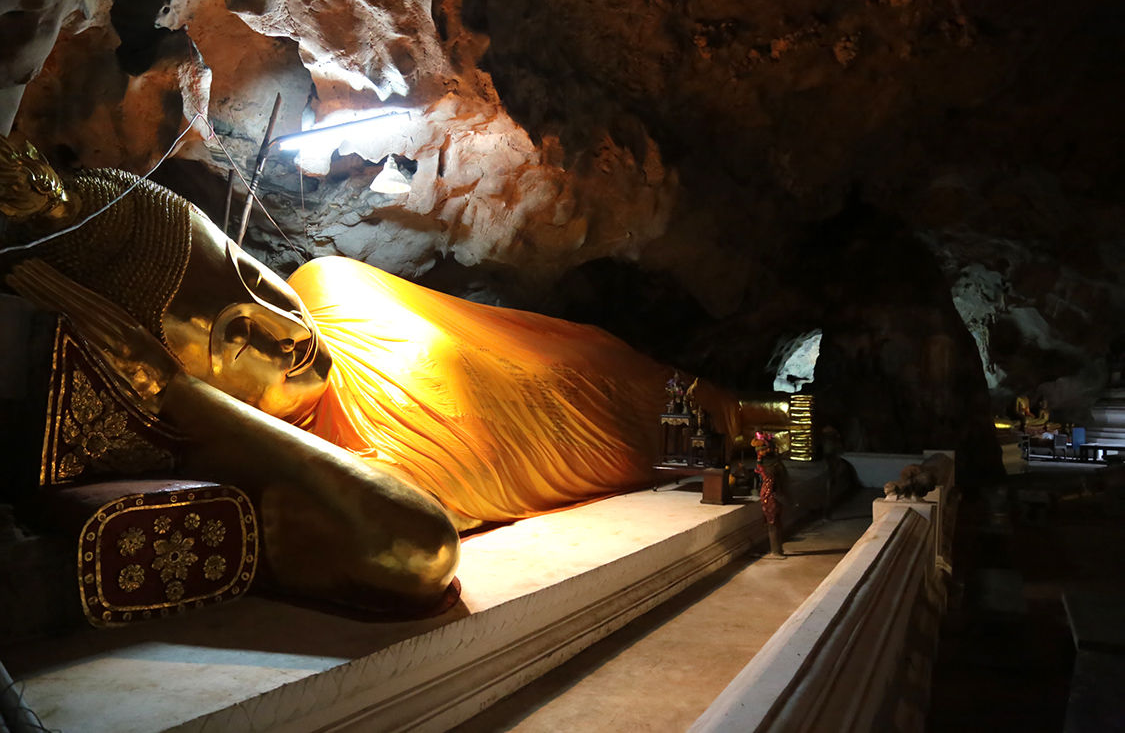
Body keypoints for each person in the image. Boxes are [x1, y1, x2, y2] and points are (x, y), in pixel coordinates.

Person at [0, 134, 743, 611]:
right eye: (238, 342)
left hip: (610, 365)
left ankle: (747, 412)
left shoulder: (332, 288)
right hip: (623, 440)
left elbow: (540, 344)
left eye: (254, 279)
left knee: (680, 394)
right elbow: (419, 548)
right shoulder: (283, 474)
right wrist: (179, 396)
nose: (286, 330)